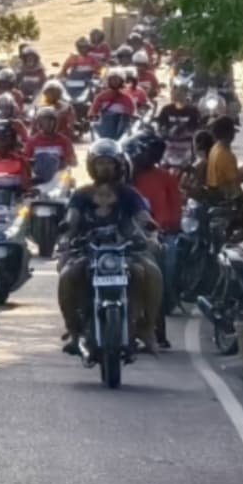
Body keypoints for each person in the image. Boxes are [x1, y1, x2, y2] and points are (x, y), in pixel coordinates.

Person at [57, 141, 166, 356]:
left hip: (125, 250)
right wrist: (67, 232)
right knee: (68, 276)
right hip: (88, 250)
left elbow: (142, 215)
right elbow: (72, 217)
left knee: (151, 273)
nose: (105, 168)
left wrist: (150, 228)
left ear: (118, 166)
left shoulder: (129, 194)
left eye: (109, 163)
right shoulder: (81, 194)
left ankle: (146, 328)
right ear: (91, 166)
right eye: (100, 163)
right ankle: (74, 331)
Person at [125, 126, 185, 233]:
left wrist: (173, 226)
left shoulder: (164, 177)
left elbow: (176, 205)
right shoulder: (123, 177)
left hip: (159, 233)